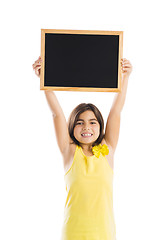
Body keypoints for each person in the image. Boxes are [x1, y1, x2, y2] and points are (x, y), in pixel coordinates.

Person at [32, 56, 132, 240]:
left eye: (92, 122)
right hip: (73, 234)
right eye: (80, 122)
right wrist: (43, 80)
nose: (86, 127)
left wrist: (125, 77)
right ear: (72, 128)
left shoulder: (107, 148)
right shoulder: (69, 151)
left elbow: (116, 110)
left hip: (104, 234)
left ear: (101, 126)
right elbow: (56, 113)